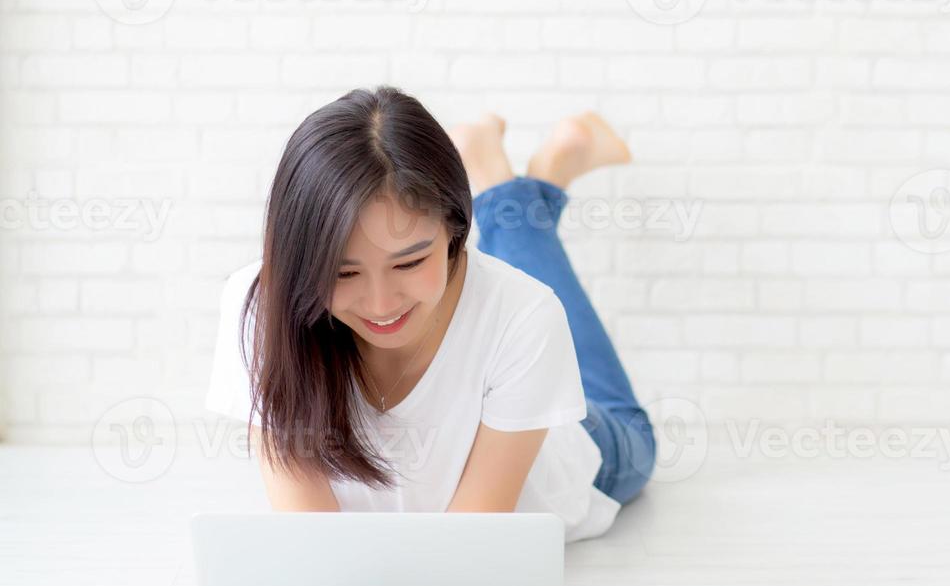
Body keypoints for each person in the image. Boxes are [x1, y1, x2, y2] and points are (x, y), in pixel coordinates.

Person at [203, 85, 656, 543]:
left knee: (635, 433)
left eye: (409, 262)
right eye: (343, 273)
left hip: (572, 451)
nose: (380, 305)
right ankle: (504, 169)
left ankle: (511, 187)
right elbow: (312, 545)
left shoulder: (524, 313)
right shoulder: (261, 309)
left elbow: (461, 551)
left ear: (457, 230)